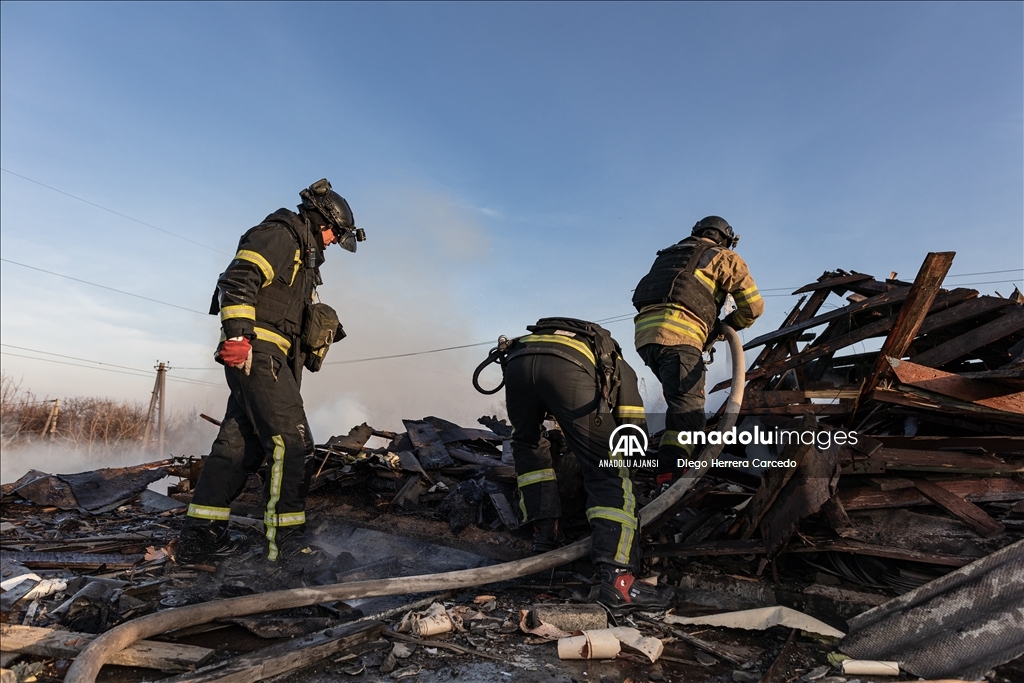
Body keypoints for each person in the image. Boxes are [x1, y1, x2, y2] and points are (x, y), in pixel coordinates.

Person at [178, 179, 365, 566]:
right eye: (334, 233)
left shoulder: (303, 254)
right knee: (293, 444)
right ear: (320, 219)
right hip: (259, 353)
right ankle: (287, 547)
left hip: (269, 355)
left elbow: (283, 308)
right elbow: (238, 278)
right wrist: (240, 335)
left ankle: (200, 538)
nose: (332, 242)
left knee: (238, 448)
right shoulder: (281, 236)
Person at [500, 317, 674, 611]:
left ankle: (545, 533)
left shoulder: (571, 345)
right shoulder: (621, 368)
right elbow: (632, 429)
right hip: (565, 367)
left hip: (517, 360)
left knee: (528, 445)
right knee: (608, 468)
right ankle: (620, 581)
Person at [632, 216, 763, 488]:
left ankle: (666, 464)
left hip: (646, 339)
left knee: (678, 402)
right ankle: (671, 477)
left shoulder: (671, 255)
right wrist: (726, 327)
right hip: (680, 337)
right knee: (688, 412)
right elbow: (753, 307)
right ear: (725, 239)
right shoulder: (724, 257)